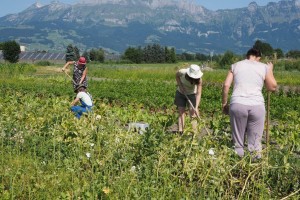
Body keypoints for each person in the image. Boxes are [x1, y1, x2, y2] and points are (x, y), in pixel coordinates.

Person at [222, 48, 277, 159]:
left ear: (247, 56)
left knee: (238, 142)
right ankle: (255, 169)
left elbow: (226, 86)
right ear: (258, 57)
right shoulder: (263, 67)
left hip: (237, 103)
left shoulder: (235, 65)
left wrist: (224, 104)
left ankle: (238, 168)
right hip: (257, 105)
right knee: (255, 143)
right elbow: (272, 87)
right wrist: (270, 70)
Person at [174, 64, 203, 134]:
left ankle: (194, 132)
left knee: (193, 113)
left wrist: (196, 107)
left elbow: (198, 93)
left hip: (192, 94)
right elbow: (177, 76)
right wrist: (180, 86)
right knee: (181, 112)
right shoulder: (182, 72)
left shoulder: (199, 80)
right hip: (180, 93)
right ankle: (181, 131)